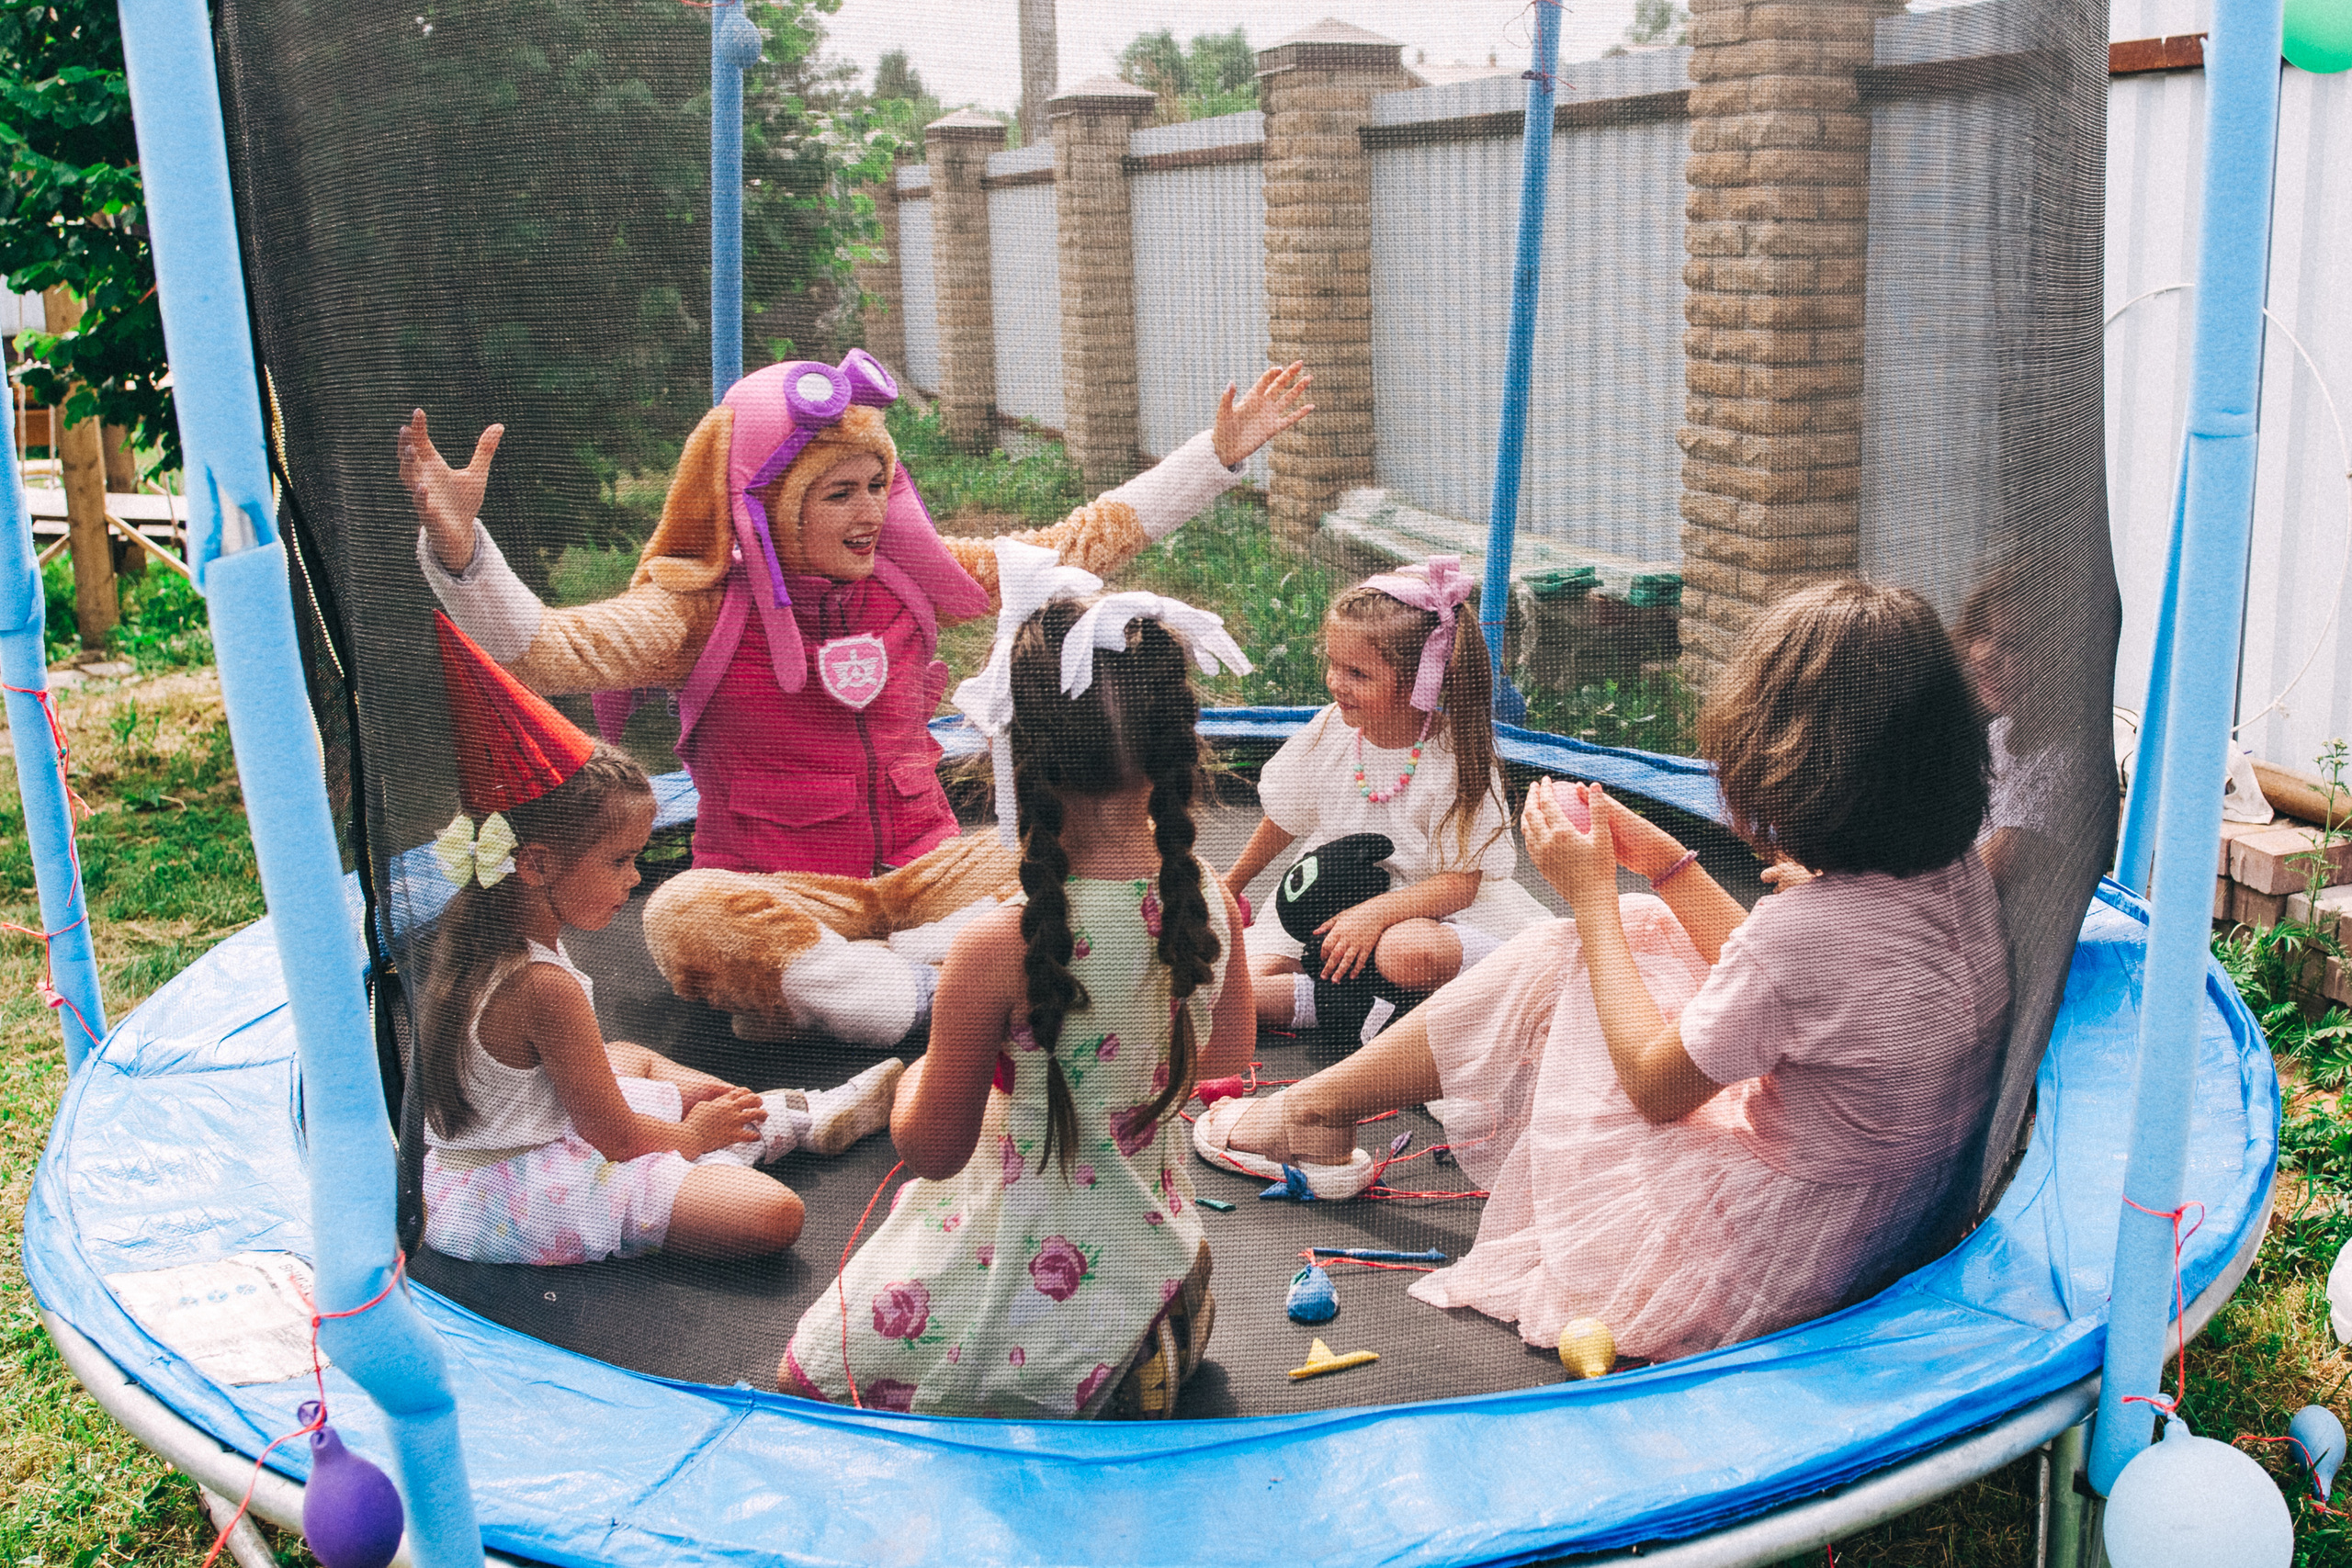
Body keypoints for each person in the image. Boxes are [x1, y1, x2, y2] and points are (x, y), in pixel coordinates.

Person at [1195, 580, 2010, 1362]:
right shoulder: (1953, 879)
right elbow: (1780, 983)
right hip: (1882, 1218)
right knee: (1639, 920)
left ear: (1789, 767)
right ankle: (1324, 1105)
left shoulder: (1805, 929)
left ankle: (1316, 1108)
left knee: (1587, 941)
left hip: (1740, 1258)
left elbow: (1658, 1086)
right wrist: (1663, 862)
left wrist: (1586, 895)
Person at [402, 352, 1310, 1047]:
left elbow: (1078, 542)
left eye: (879, 485)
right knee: (685, 915)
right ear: (763, 503)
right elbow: (548, 653)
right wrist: (462, 555)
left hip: (928, 870)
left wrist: (1214, 458)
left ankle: (878, 984)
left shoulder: (905, 576)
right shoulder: (699, 610)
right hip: (780, 885)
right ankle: (915, 988)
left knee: (1098, 855)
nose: (870, 512)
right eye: (838, 493)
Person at [778, 571, 1256, 1418]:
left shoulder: (1001, 943)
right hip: (1157, 1281)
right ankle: (1159, 1335)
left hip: (1048, 1314)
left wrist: (923, 1073)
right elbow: (1227, 1057)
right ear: (1173, 742)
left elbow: (930, 1151)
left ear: (1019, 755)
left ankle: (1057, 1374)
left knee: (804, 1375)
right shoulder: (1205, 893)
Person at [416, 614, 901, 1267]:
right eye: (618, 861)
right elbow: (614, 1135)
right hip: (518, 1190)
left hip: (500, 1147)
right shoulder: (541, 986)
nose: (637, 876)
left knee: (631, 1057)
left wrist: (690, 1120)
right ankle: (784, 1122)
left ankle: (778, 1118)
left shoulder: (482, 932)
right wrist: (692, 1136)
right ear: (534, 864)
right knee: (771, 1215)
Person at [1222, 555, 1545, 1043]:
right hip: (1332, 901)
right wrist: (1232, 884)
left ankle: (1429, 995)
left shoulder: (1454, 758)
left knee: (1405, 953)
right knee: (1241, 989)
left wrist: (1374, 916)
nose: (1336, 683)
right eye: (1333, 664)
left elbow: (1461, 884)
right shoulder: (1332, 729)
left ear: (1420, 679)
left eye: (1357, 673)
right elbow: (1285, 813)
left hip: (1423, 911)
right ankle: (1343, 1003)